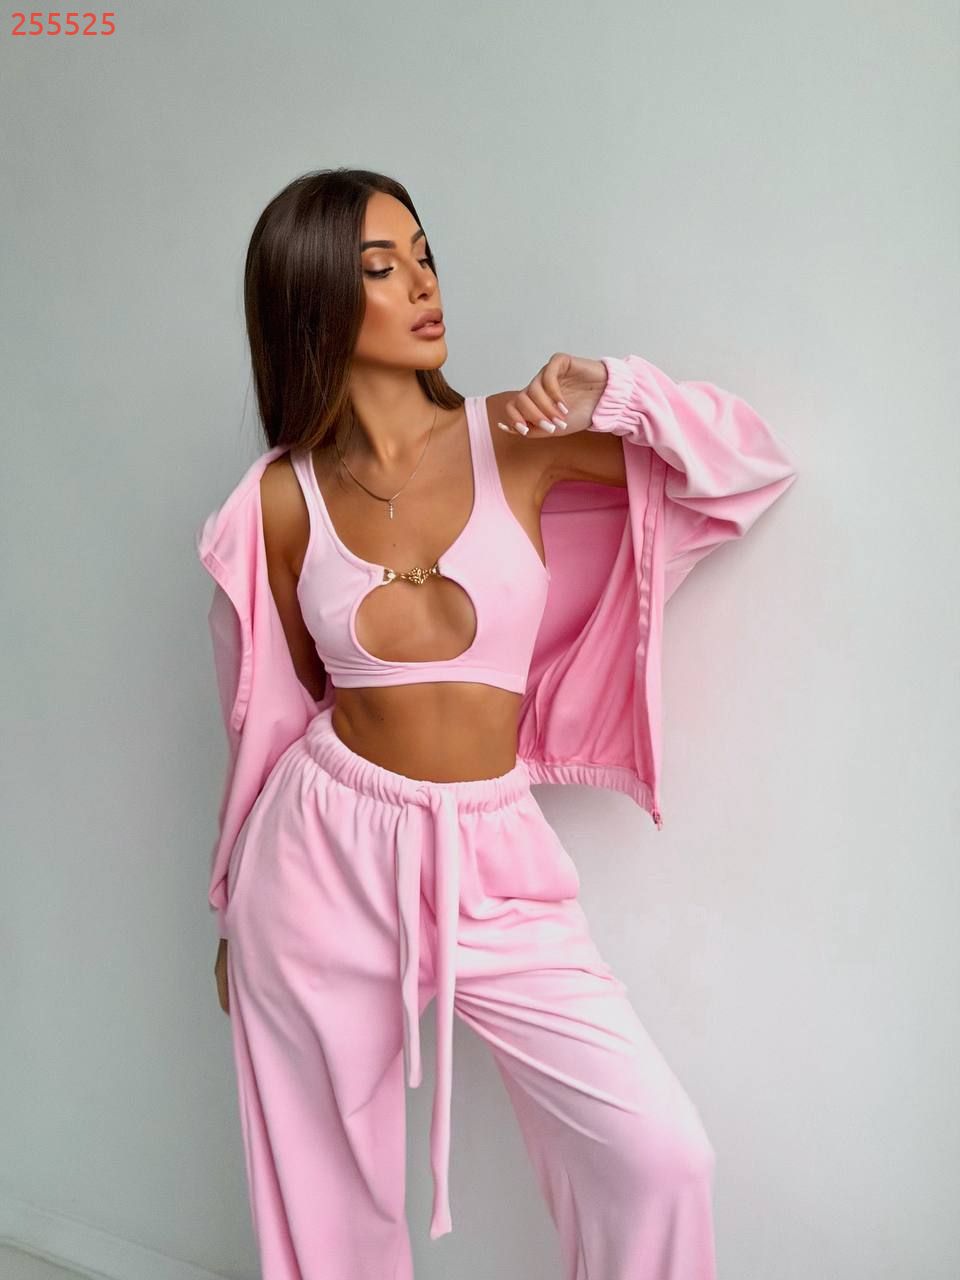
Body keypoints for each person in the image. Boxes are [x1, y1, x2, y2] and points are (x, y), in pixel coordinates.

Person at [194, 166, 798, 1279]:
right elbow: (266, 715)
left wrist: (613, 388)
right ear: (314, 299)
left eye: (425, 255)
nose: (424, 284)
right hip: (317, 856)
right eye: (382, 268)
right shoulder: (277, 500)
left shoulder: (517, 438)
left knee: (660, 1157)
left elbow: (749, 469)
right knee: (326, 1208)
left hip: (492, 850)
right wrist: (233, 906)